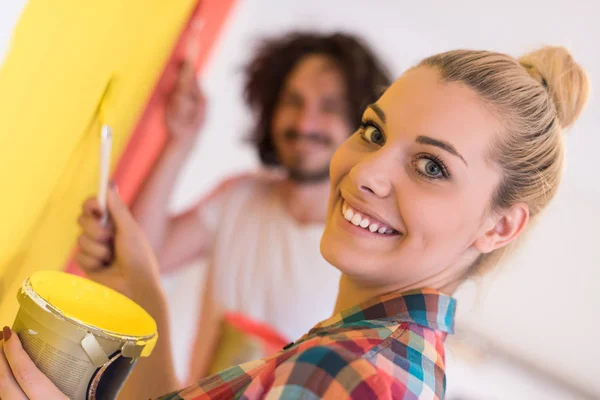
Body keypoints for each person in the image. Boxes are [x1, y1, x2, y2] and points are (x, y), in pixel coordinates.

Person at [0, 45, 589, 400]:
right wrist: (144, 284)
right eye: (374, 131)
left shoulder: (353, 370)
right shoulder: (363, 349)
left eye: (431, 166)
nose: (366, 174)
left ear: (500, 226)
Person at [131, 31, 392, 380]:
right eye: (293, 101)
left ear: (362, 127)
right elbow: (142, 258)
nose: (304, 123)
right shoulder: (240, 196)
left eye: (329, 108)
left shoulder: (371, 253)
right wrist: (180, 141)